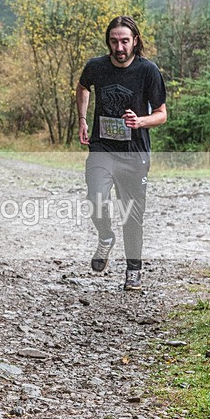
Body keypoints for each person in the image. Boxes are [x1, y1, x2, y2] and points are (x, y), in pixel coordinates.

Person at [76, 15, 167, 291]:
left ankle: (133, 270)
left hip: (134, 153)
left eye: (125, 41)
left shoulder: (148, 71)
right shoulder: (96, 66)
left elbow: (162, 114)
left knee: (132, 216)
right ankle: (105, 236)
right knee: (95, 198)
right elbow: (82, 87)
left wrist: (140, 121)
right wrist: (82, 118)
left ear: (135, 41)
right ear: (108, 41)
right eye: (114, 41)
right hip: (102, 147)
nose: (119, 47)